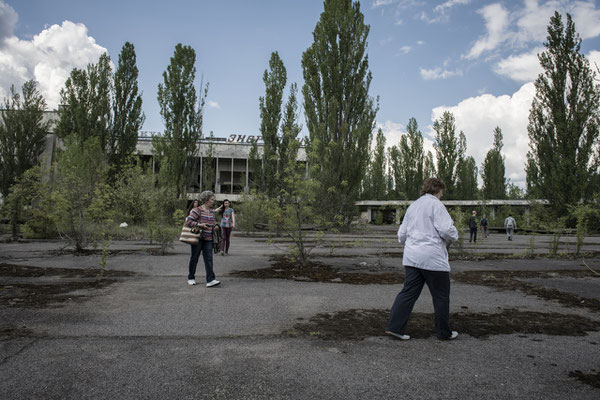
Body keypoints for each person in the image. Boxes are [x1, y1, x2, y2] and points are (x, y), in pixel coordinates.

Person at [386, 178, 459, 341]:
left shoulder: (413, 206)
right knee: (441, 296)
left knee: (408, 293)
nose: (441, 196)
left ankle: (395, 327)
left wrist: (413, 244)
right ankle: (443, 332)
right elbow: (446, 229)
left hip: (412, 258)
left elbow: (401, 235)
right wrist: (454, 236)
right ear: (438, 191)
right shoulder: (436, 205)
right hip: (433, 259)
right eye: (442, 193)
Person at [185, 191, 224, 287]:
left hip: (208, 239)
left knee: (209, 259)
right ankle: (191, 277)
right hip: (198, 238)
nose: (213, 201)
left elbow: (212, 222)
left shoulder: (211, 211)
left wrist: (215, 226)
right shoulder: (197, 210)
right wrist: (199, 225)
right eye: (211, 199)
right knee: (194, 258)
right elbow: (188, 221)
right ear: (206, 200)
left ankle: (210, 280)